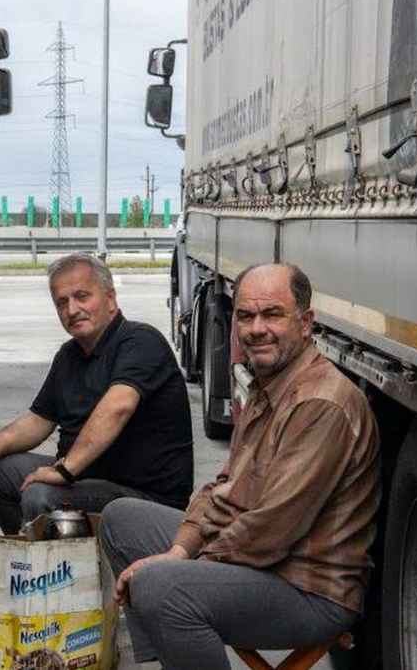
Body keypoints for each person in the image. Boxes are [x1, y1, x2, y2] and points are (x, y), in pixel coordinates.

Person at [99, 263, 381, 670]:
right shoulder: (269, 384)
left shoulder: (320, 403)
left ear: (306, 323)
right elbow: (225, 488)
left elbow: (273, 528)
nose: (256, 328)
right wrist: (182, 546)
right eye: (246, 316)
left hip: (308, 588)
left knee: (163, 588)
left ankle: (176, 624)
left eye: (272, 314)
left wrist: (187, 561)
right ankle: (171, 656)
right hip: (267, 562)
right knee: (121, 518)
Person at [0, 253, 194, 534]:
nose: (72, 309)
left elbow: (117, 407)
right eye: (62, 302)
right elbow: (38, 420)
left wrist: (63, 471)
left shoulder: (140, 341)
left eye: (82, 296)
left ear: (110, 299)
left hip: (144, 498)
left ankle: (54, 571)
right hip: (87, 481)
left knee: (41, 495)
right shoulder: (68, 356)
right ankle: (30, 557)